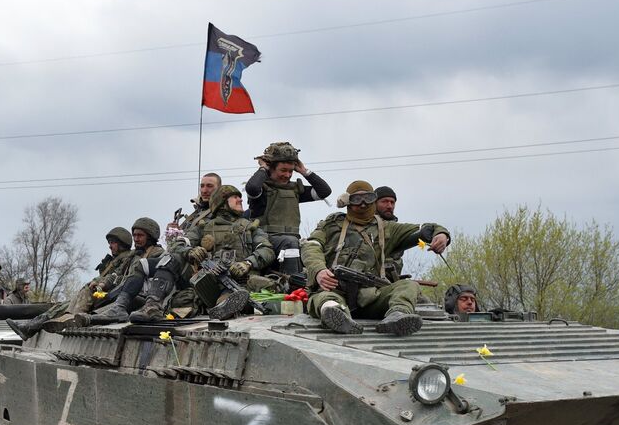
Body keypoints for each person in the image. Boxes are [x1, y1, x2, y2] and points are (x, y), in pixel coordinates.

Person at [301, 180, 451, 336]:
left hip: (371, 298)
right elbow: (311, 246)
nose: (363, 204)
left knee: (408, 286)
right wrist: (319, 271)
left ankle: (397, 315)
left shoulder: (387, 228)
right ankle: (336, 315)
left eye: (368, 198)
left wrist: (441, 234)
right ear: (347, 201)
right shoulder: (330, 226)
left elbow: (426, 228)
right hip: (335, 290)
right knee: (324, 298)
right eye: (357, 199)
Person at [8, 226, 135, 337]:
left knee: (65, 305)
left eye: (113, 242)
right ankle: (30, 327)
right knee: (60, 306)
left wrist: (99, 282)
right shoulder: (114, 260)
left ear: (122, 243)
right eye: (110, 242)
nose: (110, 245)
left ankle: (65, 319)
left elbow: (115, 277)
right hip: (99, 293)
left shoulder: (126, 258)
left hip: (107, 295)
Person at [170, 185, 275, 320]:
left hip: (239, 283)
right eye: (235, 197)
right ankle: (153, 305)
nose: (240, 200)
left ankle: (223, 307)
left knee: (233, 299)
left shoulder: (249, 227)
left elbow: (267, 250)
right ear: (222, 202)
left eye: (240, 197)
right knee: (180, 301)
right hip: (208, 284)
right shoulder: (203, 228)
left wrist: (247, 263)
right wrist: (190, 251)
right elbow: (176, 245)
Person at [244, 142, 333, 280]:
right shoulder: (262, 190)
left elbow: (324, 191)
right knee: (290, 241)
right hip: (265, 241)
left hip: (292, 243)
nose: (287, 175)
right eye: (283, 170)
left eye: (291, 171)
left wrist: (304, 171)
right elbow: (252, 188)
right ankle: (294, 282)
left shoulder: (294, 190)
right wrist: (263, 168)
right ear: (271, 169)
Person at [84, 217, 168, 324]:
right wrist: (104, 283)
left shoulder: (158, 254)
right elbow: (117, 274)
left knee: (101, 315)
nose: (136, 239)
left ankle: (92, 318)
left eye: (140, 235)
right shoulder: (132, 255)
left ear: (150, 237)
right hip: (123, 293)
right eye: (134, 235)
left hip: (143, 297)